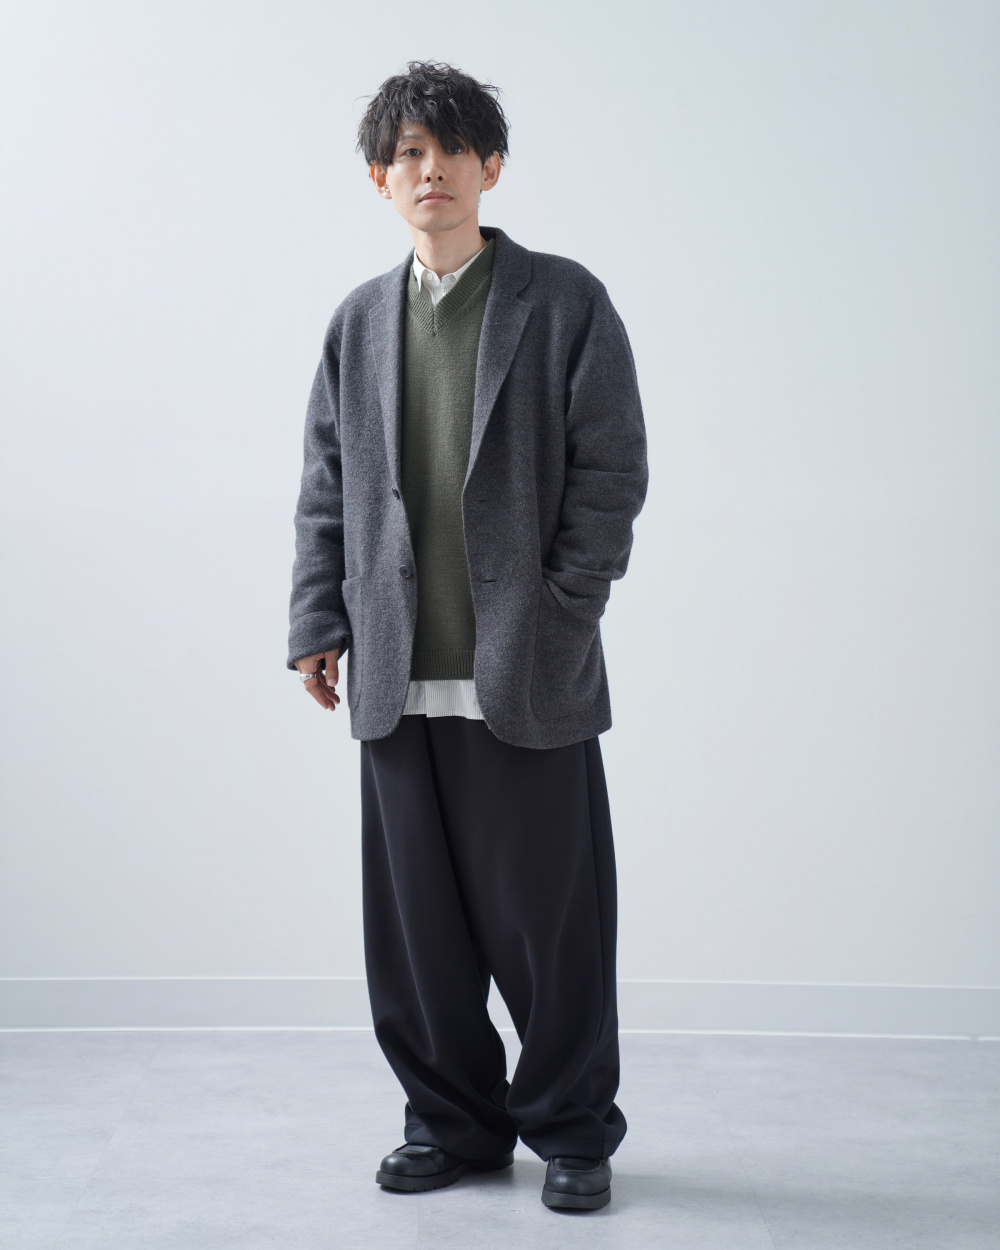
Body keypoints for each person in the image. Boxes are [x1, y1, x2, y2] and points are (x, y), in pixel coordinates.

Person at [287, 60, 647, 1212]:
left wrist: (562, 606)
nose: (427, 168)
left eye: (449, 148)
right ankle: (450, 1122)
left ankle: (572, 1130)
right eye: (406, 152)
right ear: (379, 178)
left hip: (523, 673)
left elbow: (611, 470)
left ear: (491, 165)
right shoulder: (358, 322)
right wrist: (317, 620)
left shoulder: (563, 301)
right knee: (417, 934)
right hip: (395, 670)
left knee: (552, 929)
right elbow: (327, 486)